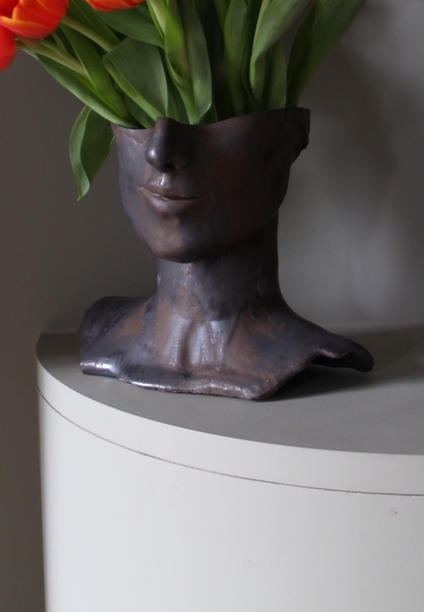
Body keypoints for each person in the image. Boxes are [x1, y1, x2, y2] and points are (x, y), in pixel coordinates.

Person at [79, 109, 373, 400]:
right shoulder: (101, 328)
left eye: (218, 115)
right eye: (138, 114)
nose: (160, 152)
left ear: (295, 134)